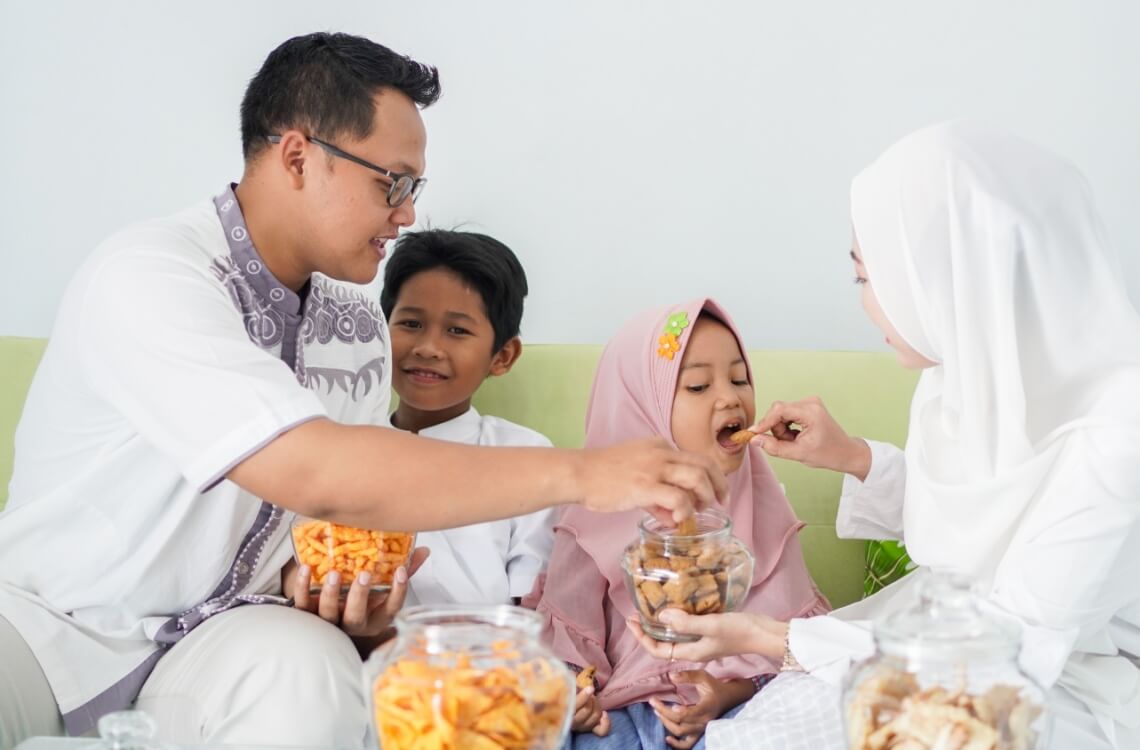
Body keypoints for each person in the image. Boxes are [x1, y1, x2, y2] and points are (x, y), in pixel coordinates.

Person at [0, 33, 724, 749]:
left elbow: (324, 519)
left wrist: (333, 591)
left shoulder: (354, 321)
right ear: (296, 157)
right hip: (49, 631)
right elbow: (315, 468)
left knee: (310, 670)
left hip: (216, 637)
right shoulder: (151, 277)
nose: (407, 213)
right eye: (393, 182)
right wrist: (587, 473)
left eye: (415, 188)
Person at [626, 122, 1140, 749]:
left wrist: (765, 636)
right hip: (939, 635)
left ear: (951, 277)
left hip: (1052, 679)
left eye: (868, 278)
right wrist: (850, 456)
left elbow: (1015, 643)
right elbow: (972, 520)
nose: (868, 304)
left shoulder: (1121, 429)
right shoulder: (959, 378)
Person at [526, 298, 829, 749]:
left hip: (743, 713)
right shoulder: (594, 518)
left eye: (740, 379)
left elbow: (795, 649)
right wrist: (574, 693)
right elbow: (570, 649)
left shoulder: (766, 505)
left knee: (823, 704)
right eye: (698, 386)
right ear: (640, 409)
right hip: (625, 714)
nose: (729, 397)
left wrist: (729, 693)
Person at [380, 228, 555, 607]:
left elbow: (530, 601)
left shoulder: (525, 457)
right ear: (381, 330)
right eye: (411, 324)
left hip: (490, 658)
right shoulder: (345, 448)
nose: (428, 348)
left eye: (457, 330)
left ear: (503, 356)